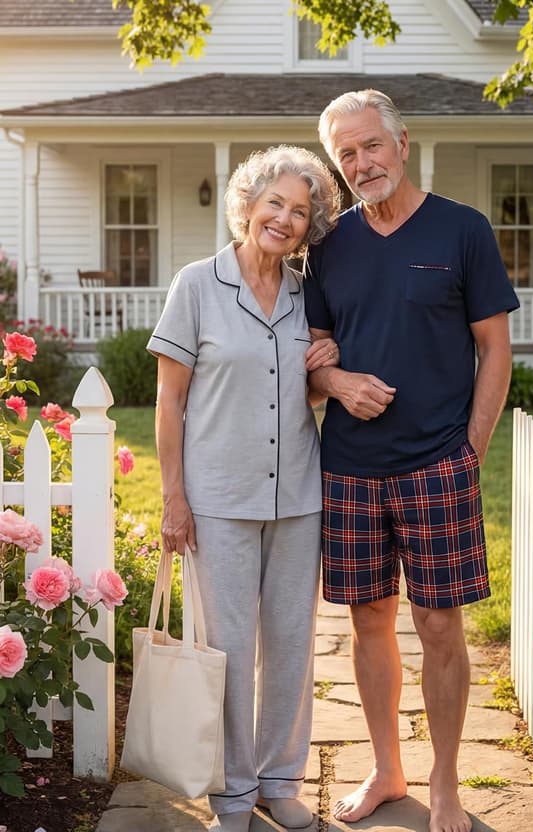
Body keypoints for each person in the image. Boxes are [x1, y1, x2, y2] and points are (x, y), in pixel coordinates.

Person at [304, 90, 520, 832]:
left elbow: (496, 349)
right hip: (351, 467)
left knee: (439, 627)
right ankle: (388, 768)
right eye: (347, 155)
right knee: (367, 620)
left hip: (438, 464)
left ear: (402, 142)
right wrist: (332, 381)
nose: (362, 163)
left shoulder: (463, 229)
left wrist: (471, 451)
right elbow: (309, 360)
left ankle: (449, 779)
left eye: (371, 146)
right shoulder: (327, 247)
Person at [147, 145, 341, 832]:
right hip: (218, 497)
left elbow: (311, 389)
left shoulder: (306, 295)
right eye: (275, 204)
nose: (285, 219)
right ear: (249, 205)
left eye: (299, 210)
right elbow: (169, 402)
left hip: (297, 496)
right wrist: (174, 497)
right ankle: (231, 794)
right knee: (227, 649)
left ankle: (279, 781)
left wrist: (326, 361)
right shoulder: (197, 284)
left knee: (290, 643)